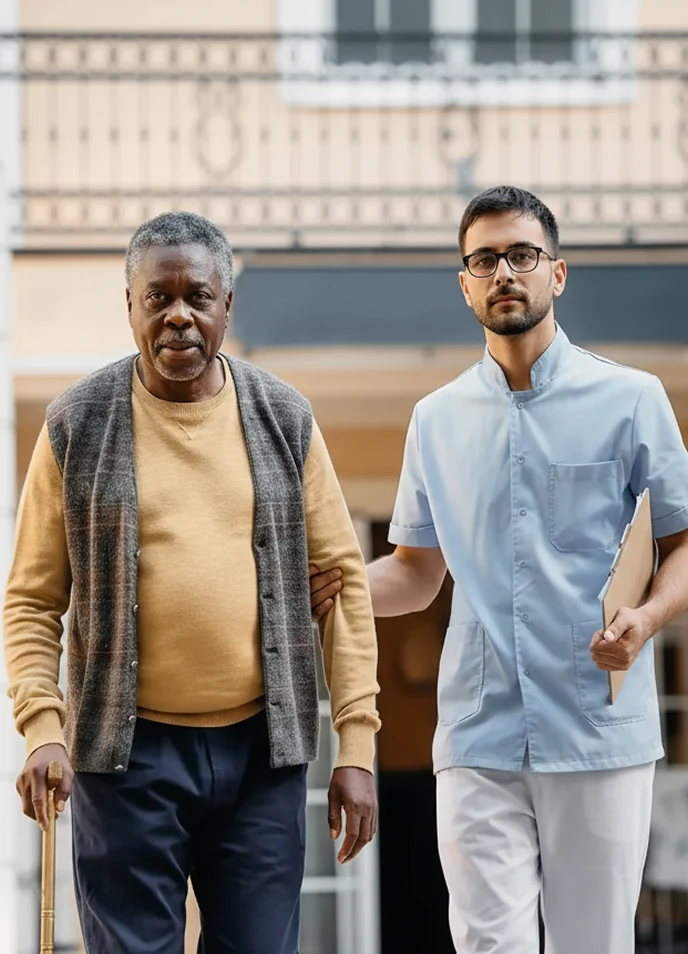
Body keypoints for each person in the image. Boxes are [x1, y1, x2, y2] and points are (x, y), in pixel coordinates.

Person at [310, 186, 688, 953]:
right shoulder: (436, 419)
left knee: (593, 943)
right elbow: (416, 575)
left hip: (599, 731)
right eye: (485, 259)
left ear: (557, 273)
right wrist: (331, 585)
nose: (504, 272)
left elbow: (681, 542)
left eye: (522, 255)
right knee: (488, 943)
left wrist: (645, 621)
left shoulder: (632, 399)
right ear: (465, 283)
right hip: (479, 735)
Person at [3, 211, 380, 954]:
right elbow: (31, 599)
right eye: (158, 297)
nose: (179, 314)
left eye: (198, 297)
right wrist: (42, 729)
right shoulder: (75, 425)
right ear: (132, 306)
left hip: (261, 754)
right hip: (124, 754)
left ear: (226, 306)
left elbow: (342, 586)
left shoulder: (285, 418)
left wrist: (358, 750)